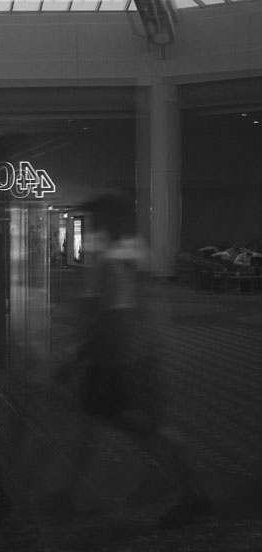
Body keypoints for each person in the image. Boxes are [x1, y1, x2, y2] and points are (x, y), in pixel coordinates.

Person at [65, 194, 211, 528]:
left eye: (96, 220)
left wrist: (86, 358)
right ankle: (71, 494)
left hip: (126, 359)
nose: (92, 227)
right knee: (106, 423)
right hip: (130, 355)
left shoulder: (116, 260)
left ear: (109, 222)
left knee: (148, 427)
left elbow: (116, 318)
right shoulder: (125, 253)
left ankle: (190, 492)